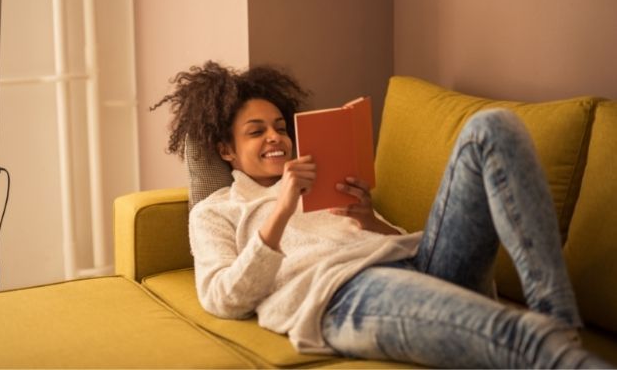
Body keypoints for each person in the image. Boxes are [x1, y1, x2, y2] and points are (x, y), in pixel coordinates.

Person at [150, 61, 610, 368]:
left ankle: (560, 318)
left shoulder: (322, 178)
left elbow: (390, 244)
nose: (275, 137)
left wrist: (370, 220)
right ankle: (557, 351)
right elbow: (220, 297)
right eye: (256, 132)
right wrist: (282, 208)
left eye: (278, 127)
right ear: (226, 149)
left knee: (493, 127)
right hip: (344, 294)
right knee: (520, 337)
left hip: (417, 263)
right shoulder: (218, 210)